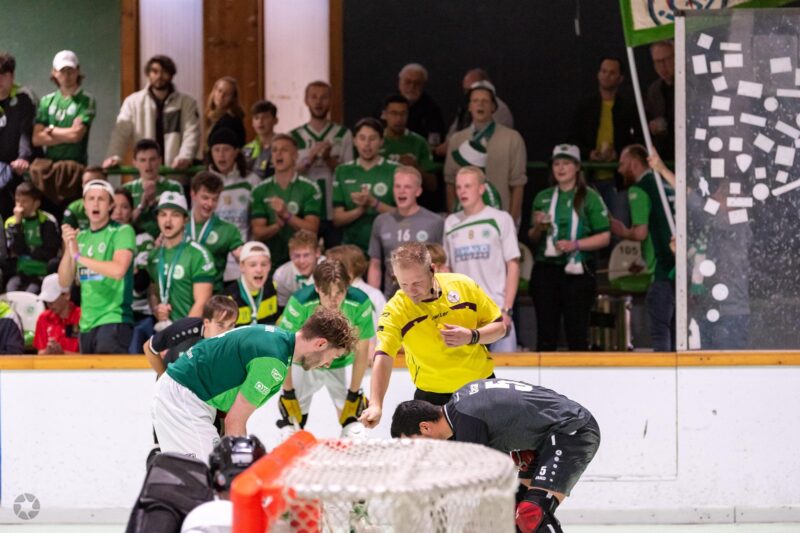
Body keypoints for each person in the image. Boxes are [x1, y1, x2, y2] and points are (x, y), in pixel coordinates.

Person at [391, 377, 601, 533]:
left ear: (425, 427)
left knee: (531, 513)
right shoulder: (461, 404)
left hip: (571, 430)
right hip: (546, 437)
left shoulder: (466, 421)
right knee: (514, 514)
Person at [152, 307, 358, 461]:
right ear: (320, 343)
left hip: (185, 394)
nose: (328, 364)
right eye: (332, 356)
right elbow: (235, 421)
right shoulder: (273, 362)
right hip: (183, 400)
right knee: (207, 479)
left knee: (207, 479)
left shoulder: (275, 337)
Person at [359, 242, 506, 429]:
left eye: (417, 283)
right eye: (403, 284)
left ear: (432, 270)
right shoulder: (396, 309)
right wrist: (376, 404)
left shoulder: (463, 286)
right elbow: (383, 356)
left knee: (488, 448)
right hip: (432, 398)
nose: (411, 291)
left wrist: (472, 336)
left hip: (480, 388)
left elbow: (500, 328)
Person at [277, 260, 374, 437]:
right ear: (316, 287)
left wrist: (354, 393)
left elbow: (362, 350)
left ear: (348, 287)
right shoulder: (299, 302)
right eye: (326, 293)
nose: (333, 300)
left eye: (339, 292)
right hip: (304, 364)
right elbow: (284, 348)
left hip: (342, 362)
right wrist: (288, 391)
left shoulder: (360, 302)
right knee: (290, 425)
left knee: (354, 427)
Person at [528, 144, 611, 351]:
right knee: (546, 333)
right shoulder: (543, 196)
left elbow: (605, 237)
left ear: (577, 167)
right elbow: (532, 237)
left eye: (566, 163)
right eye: (556, 164)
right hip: (546, 268)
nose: (561, 168)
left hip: (578, 271)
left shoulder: (590, 196)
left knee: (577, 332)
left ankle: (579, 371)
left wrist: (575, 245)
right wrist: (538, 227)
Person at [444, 166, 520, 353]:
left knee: (505, 369)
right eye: (459, 187)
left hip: (496, 311)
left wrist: (507, 309)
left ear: (481, 189)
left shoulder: (501, 219)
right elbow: (446, 269)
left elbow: (513, 265)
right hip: (463, 314)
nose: (462, 191)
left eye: (468, 186)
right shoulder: (450, 222)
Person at [58, 180, 135, 354]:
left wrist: (79, 257)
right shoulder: (81, 237)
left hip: (113, 319)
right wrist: (68, 248)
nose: (95, 203)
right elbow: (64, 281)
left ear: (110, 205)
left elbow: (118, 270)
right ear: (84, 205)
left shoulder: (122, 231)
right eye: (91, 199)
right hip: (86, 324)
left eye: (101, 199)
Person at [611, 145, 675, 351]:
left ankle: (664, 371)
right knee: (677, 334)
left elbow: (640, 233)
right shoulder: (667, 183)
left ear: (633, 163)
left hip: (661, 269)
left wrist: (622, 231)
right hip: (680, 267)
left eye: (622, 164)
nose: (619, 170)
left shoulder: (639, 189)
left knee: (660, 334)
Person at [568, 57, 641, 218]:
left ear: (621, 78)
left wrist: (618, 154)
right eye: (603, 71)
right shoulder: (585, 106)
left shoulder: (628, 108)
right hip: (588, 179)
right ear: (598, 74)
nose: (606, 75)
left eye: (612, 72)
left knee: (619, 225)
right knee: (588, 225)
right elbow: (572, 139)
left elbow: (637, 142)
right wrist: (589, 154)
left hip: (619, 180)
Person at [444, 81, 527, 222]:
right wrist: (455, 218)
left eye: (485, 101)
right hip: (465, 217)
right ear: (469, 106)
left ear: (493, 107)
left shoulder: (512, 138)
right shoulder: (457, 140)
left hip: (500, 215)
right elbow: (450, 182)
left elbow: (518, 184)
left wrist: (511, 220)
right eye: (475, 101)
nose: (480, 105)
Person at [104, 54, 200, 170]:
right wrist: (114, 156)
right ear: (148, 74)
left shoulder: (186, 102)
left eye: (164, 72)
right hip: (145, 172)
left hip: (176, 170)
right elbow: (121, 132)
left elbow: (191, 133)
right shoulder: (133, 102)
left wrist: (185, 157)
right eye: (155, 71)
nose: (159, 76)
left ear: (171, 74)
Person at [31, 50, 96, 214]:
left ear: (78, 71)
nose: (66, 76)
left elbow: (76, 136)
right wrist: (67, 133)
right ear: (54, 72)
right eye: (62, 71)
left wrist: (51, 130)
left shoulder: (86, 100)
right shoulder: (46, 101)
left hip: (76, 170)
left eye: (70, 70)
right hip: (49, 172)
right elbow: (37, 138)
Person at [290, 81, 354, 247]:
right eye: (314, 97)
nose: (318, 102)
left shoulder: (343, 134)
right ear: (306, 100)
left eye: (324, 97)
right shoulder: (294, 136)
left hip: (334, 209)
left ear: (331, 101)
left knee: (337, 258)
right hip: (305, 210)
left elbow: (348, 174)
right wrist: (309, 159)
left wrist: (328, 159)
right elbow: (289, 174)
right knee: (304, 255)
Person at [367, 165, 443, 299]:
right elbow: (375, 264)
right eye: (397, 186)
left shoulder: (435, 222)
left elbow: (442, 265)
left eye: (407, 187)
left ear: (418, 191)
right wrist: (373, 299)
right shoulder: (381, 221)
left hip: (426, 299)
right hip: (393, 299)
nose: (401, 191)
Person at [250, 134, 322, 267]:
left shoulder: (310, 188)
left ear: (295, 156)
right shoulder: (259, 190)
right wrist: (276, 226)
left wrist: (286, 215)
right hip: (270, 262)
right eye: (274, 150)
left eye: (284, 150)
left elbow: (312, 230)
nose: (278, 154)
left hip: (301, 262)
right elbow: (257, 233)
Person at [147, 192, 216, 327]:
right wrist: (157, 310)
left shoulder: (198, 255)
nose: (168, 221)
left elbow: (202, 302)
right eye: (163, 214)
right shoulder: (154, 255)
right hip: (164, 331)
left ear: (186, 220)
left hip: (191, 332)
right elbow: (153, 293)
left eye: (175, 215)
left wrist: (181, 333)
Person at [332, 117, 397, 253]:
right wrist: (361, 209)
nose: (367, 144)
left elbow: (405, 215)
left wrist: (374, 203)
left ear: (381, 141)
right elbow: (337, 219)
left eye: (372, 139)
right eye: (362, 138)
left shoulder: (396, 170)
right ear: (354, 141)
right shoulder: (342, 171)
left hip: (389, 247)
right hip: (352, 249)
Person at [144, 295, 239, 377]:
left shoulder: (236, 339)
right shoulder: (185, 329)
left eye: (231, 325)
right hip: (173, 379)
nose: (227, 331)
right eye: (220, 325)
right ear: (207, 322)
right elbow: (148, 347)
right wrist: (163, 377)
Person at [111, 186, 157, 354]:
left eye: (124, 207)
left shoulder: (143, 239)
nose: (118, 212)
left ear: (132, 211)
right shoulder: (100, 239)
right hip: (108, 314)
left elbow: (141, 282)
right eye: (114, 207)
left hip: (139, 314)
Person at [186, 171, 244, 291]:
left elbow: (243, 257)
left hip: (213, 297)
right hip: (181, 296)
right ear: (193, 194)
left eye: (215, 199)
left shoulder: (227, 230)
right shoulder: (178, 223)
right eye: (205, 198)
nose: (210, 204)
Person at [4, 182, 59, 293]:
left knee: (31, 293)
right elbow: (16, 249)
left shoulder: (48, 220)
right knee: (11, 292)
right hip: (20, 272)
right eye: (17, 201)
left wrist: (26, 251)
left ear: (36, 203)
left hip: (42, 272)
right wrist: (18, 225)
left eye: (24, 201)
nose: (19, 206)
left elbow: (50, 252)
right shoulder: (11, 222)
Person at [123, 138, 184, 238]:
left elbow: (179, 221)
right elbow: (123, 221)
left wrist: (154, 204)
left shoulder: (173, 187)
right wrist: (142, 206)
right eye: (143, 160)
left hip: (165, 239)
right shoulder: (127, 188)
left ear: (160, 160)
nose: (148, 165)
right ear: (135, 163)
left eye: (152, 159)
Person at [0, 52, 36, 220]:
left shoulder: (24, 97)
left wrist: (23, 157)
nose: (0, 80)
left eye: (4, 75)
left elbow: (25, 132)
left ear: (12, 76)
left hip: (19, 168)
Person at [443, 69, 514, 149]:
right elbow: (452, 135)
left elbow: (489, 141)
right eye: (466, 90)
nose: (467, 94)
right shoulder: (466, 108)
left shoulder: (499, 109)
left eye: (471, 89)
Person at [379, 94, 436, 192]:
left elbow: (433, 185)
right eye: (394, 113)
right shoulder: (375, 141)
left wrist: (415, 168)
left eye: (403, 114)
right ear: (384, 114)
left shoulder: (419, 142)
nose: (399, 119)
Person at [222, 241, 279, 326]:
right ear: (242, 266)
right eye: (253, 265)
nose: (259, 270)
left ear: (270, 266)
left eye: (264, 264)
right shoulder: (228, 299)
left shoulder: (273, 288)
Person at [394, 63, 445, 144]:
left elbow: (434, 142)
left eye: (417, 83)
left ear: (423, 85)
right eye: (408, 82)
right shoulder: (386, 105)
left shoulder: (432, 110)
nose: (412, 87)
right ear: (399, 83)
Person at [272, 229, 321, 311]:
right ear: (290, 255)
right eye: (297, 256)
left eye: (306, 255)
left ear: (317, 253)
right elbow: (283, 307)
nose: (301, 261)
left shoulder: (330, 271)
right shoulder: (281, 275)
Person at [33, 273, 80, 354]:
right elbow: (40, 352)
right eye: (46, 300)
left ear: (67, 295)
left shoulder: (83, 317)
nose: (49, 304)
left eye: (52, 299)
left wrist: (62, 353)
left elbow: (90, 356)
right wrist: (48, 352)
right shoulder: (43, 318)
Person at [646, 40, 675, 162]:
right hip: (664, 156)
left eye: (666, 60)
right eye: (657, 62)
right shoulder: (654, 90)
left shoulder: (693, 86)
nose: (663, 67)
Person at [205, 76, 246, 149]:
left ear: (233, 98)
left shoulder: (231, 121)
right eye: (219, 91)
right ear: (214, 91)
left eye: (227, 94)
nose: (221, 96)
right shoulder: (212, 116)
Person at [243, 100, 278, 179]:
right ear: (252, 123)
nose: (260, 121)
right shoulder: (246, 149)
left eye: (265, 117)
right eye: (256, 118)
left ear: (275, 120)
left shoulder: (283, 146)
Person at [63, 166, 106, 230]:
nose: (91, 186)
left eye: (95, 182)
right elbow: (66, 234)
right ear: (82, 185)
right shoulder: (74, 209)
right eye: (87, 182)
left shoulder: (116, 207)